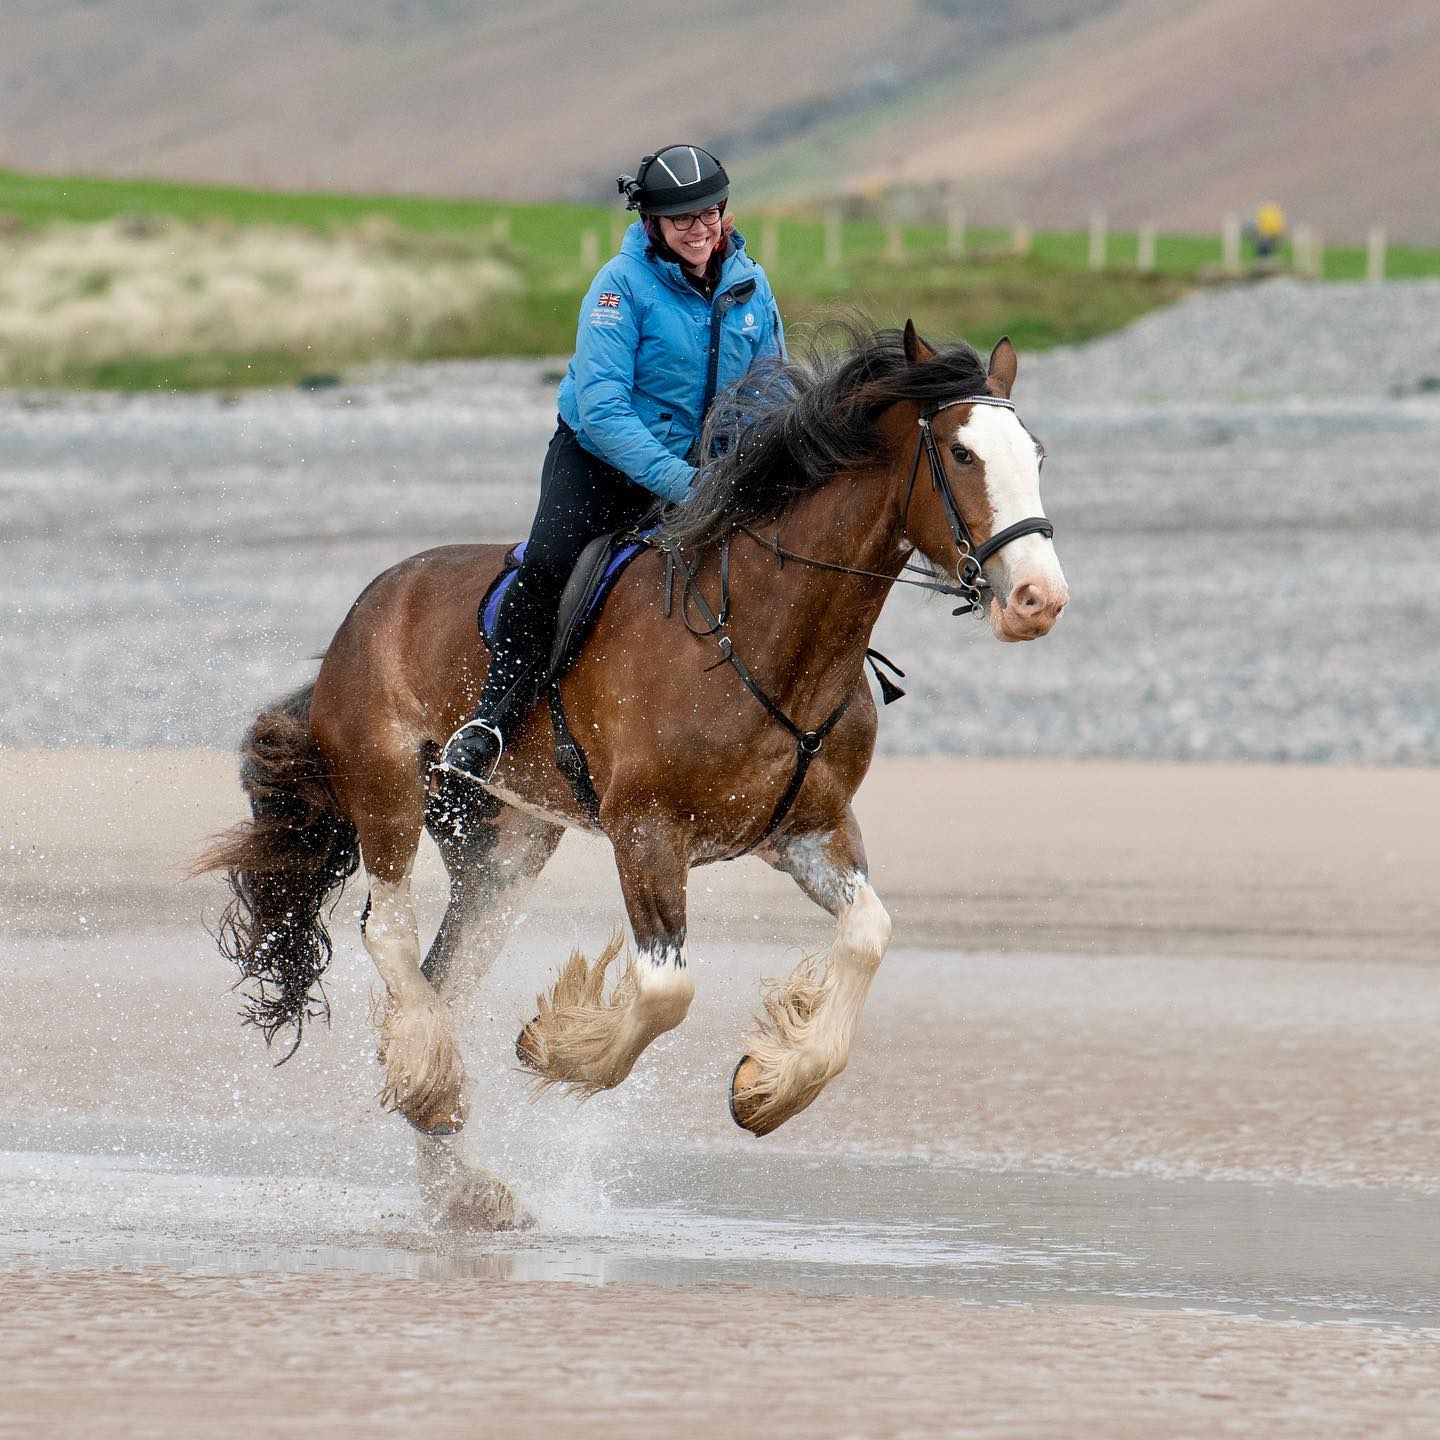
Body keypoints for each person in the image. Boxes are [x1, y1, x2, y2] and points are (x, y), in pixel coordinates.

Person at [438, 143, 786, 784]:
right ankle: (492, 718)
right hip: (598, 462)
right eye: (682, 218)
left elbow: (769, 390)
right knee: (548, 566)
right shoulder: (618, 288)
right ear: (653, 223)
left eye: (710, 212)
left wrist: (755, 470)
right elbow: (602, 411)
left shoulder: (750, 287)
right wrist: (689, 484)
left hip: (701, 471)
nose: (700, 228)